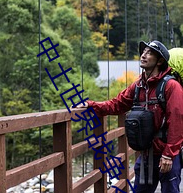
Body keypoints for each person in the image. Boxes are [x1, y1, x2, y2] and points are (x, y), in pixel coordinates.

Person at [74, 40, 183, 193]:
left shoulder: (171, 86)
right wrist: (91, 105)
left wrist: (169, 155)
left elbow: (177, 122)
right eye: (143, 52)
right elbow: (117, 104)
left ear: (159, 61)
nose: (143, 55)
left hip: (166, 155)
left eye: (149, 53)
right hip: (146, 154)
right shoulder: (138, 86)